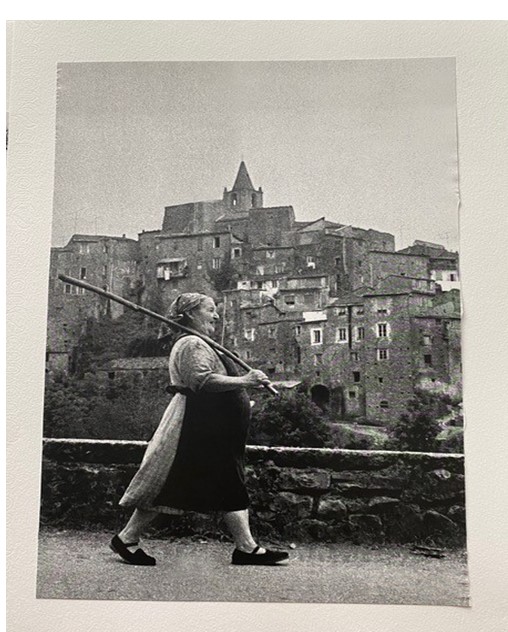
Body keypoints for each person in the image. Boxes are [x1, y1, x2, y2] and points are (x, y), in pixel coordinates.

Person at [110, 292, 289, 567]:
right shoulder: (191, 343)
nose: (216, 315)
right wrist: (246, 380)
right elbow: (201, 381)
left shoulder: (201, 342)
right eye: (210, 309)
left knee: (224, 482)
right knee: (172, 482)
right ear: (192, 313)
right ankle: (127, 537)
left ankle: (246, 547)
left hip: (211, 429)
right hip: (197, 427)